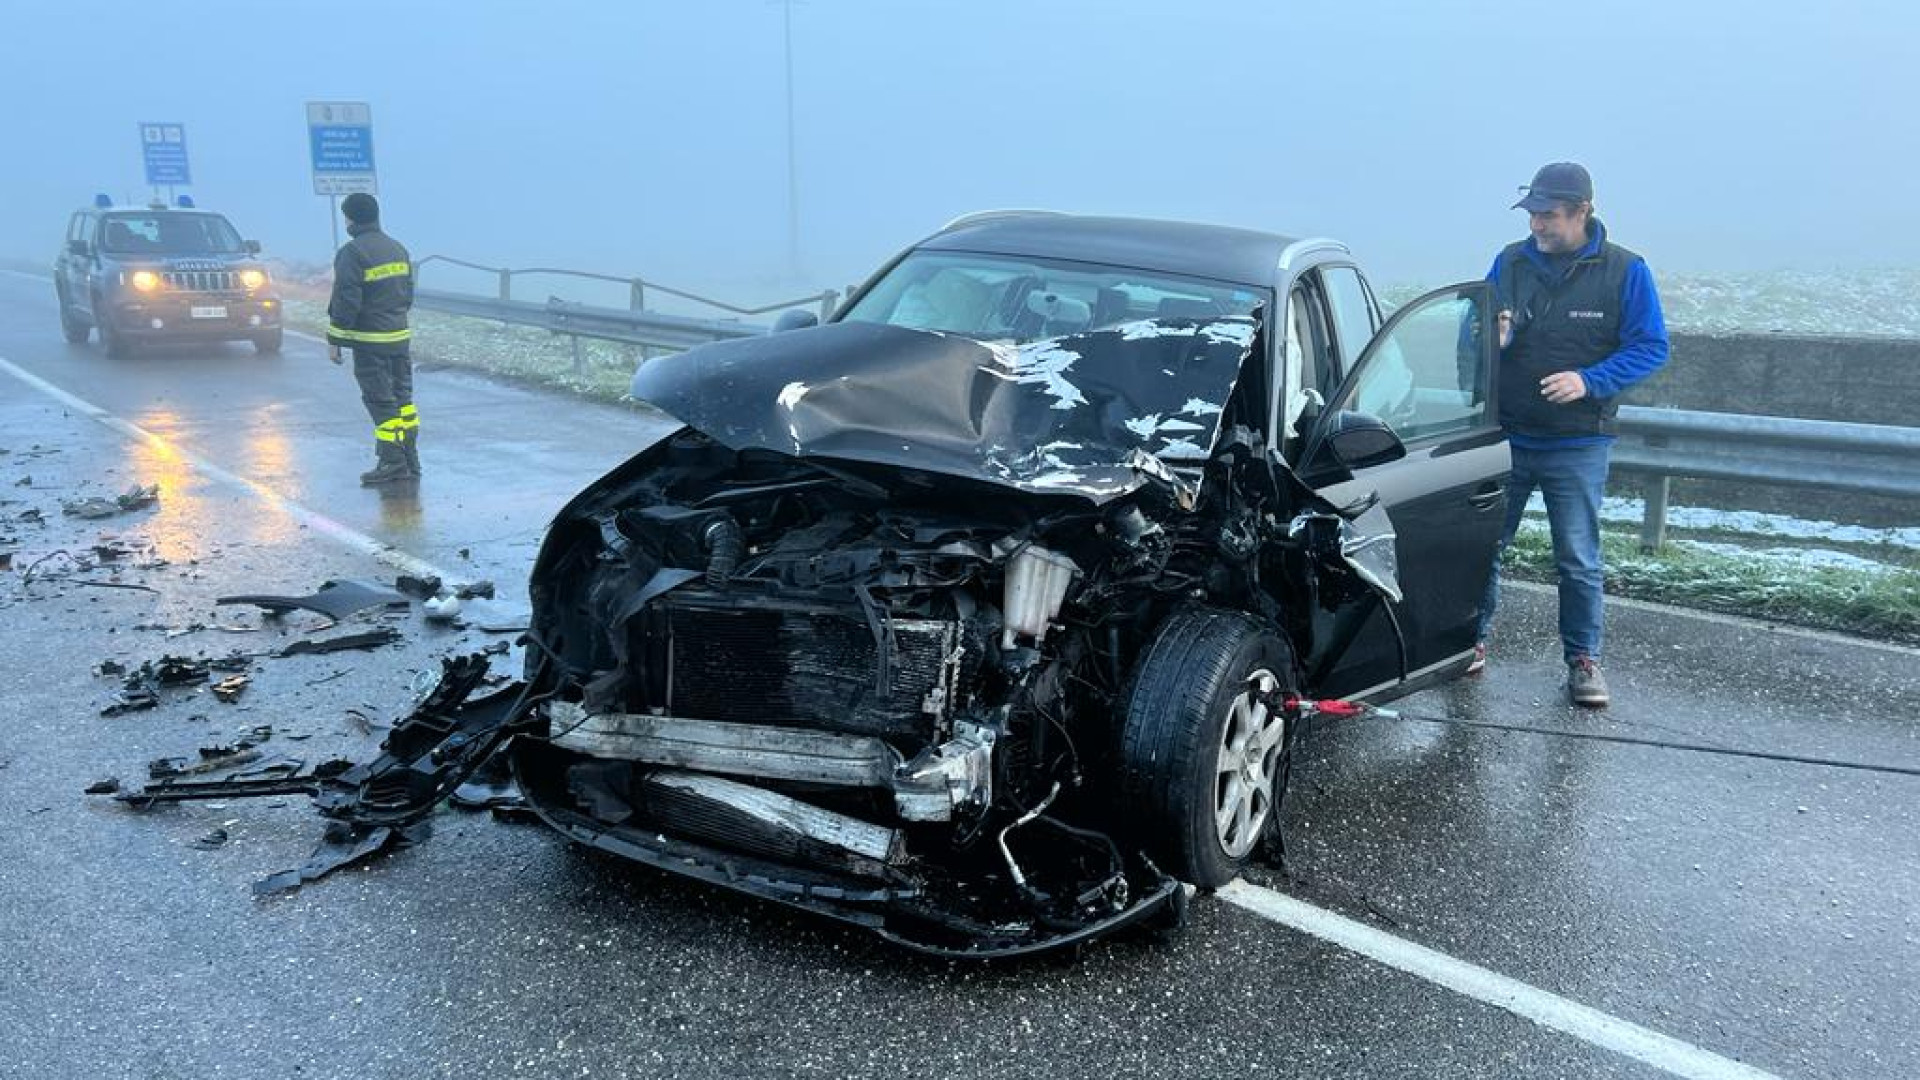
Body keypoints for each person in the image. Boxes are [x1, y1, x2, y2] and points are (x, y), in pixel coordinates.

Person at [1472, 162, 1669, 707]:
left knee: (1577, 558)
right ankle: (1469, 643)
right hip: (1506, 435)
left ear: (1583, 210)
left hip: (1578, 441)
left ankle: (1583, 660)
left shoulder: (1626, 269)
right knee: (1485, 546)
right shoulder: (1508, 262)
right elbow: (1475, 336)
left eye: (1550, 215)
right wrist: (1496, 337)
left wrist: (1589, 380)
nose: (1538, 225)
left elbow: (1652, 346)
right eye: (1533, 214)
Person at [327, 192, 419, 485]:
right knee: (403, 401)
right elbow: (407, 295)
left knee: (381, 403)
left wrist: (335, 338)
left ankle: (393, 463)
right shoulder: (398, 248)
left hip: (371, 342)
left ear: (351, 219)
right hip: (399, 338)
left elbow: (346, 300)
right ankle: (410, 457)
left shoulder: (352, 253)